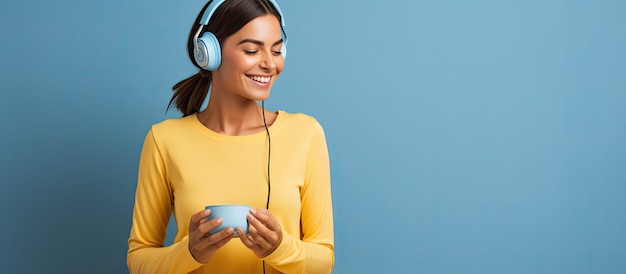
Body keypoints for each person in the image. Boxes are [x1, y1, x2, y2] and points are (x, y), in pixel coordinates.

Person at [126, 0, 334, 273]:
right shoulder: (164, 140)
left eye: (276, 50)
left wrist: (280, 248)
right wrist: (190, 252)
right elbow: (139, 258)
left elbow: (324, 259)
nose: (270, 64)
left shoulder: (306, 134)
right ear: (209, 52)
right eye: (251, 50)